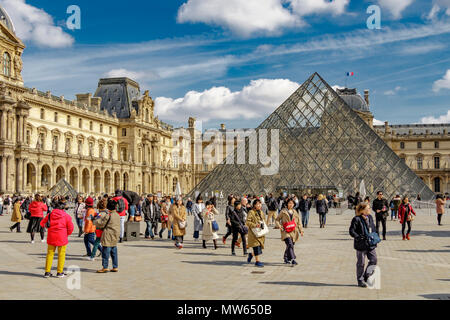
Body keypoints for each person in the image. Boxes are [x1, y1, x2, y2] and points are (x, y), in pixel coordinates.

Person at [40, 199, 74, 278]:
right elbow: (71, 228)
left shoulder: (50, 215)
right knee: (61, 255)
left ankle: (47, 272)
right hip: (62, 237)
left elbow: (42, 223)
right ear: (62, 208)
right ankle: (59, 272)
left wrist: (48, 227)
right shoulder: (66, 216)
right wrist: (66, 234)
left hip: (51, 236)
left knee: (50, 254)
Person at [349, 202, 378, 288]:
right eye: (368, 208)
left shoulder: (370, 217)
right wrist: (358, 237)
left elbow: (373, 227)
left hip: (370, 243)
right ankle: (360, 280)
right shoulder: (356, 219)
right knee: (361, 263)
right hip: (361, 244)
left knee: (374, 260)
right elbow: (351, 231)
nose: (369, 210)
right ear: (362, 210)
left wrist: (374, 234)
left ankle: (366, 275)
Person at [94, 199, 121, 273]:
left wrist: (95, 220)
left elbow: (101, 224)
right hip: (115, 234)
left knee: (106, 251)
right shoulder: (117, 215)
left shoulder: (108, 215)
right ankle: (115, 266)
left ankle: (105, 267)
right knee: (114, 251)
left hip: (108, 235)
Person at [275, 198, 304, 266]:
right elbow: (277, 220)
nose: (291, 204)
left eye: (292, 203)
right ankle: (293, 259)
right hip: (285, 231)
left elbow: (299, 222)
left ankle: (285, 257)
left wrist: (301, 230)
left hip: (293, 231)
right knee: (290, 244)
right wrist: (279, 226)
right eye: (289, 203)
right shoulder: (283, 211)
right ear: (287, 204)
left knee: (290, 245)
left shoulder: (295, 212)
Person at [246, 199, 267, 268]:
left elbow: (264, 221)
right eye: (257, 204)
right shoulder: (251, 212)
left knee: (259, 248)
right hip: (253, 233)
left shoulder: (261, 212)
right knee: (256, 247)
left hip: (260, 232)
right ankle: (257, 261)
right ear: (254, 205)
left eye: (260, 204)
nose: (259, 205)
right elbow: (247, 222)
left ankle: (251, 255)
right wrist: (255, 225)